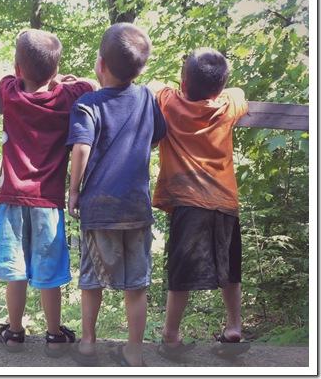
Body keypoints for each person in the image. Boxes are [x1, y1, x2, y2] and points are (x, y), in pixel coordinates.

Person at [0, 28, 98, 357]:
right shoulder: (68, 97)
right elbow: (90, 85)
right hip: (49, 202)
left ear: (19, 69)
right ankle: (53, 336)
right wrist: (62, 82)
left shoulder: (11, 91)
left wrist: (39, 77)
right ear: (55, 70)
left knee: (16, 271)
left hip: (12, 199)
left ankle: (15, 333)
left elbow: (5, 79)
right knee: (49, 272)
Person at [66, 22, 167, 367]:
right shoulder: (147, 97)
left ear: (101, 65)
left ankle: (89, 343)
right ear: (140, 68)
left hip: (99, 207)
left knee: (92, 279)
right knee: (136, 284)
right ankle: (135, 351)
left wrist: (73, 191)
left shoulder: (87, 103)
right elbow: (156, 137)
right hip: (136, 207)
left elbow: (80, 148)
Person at [148, 47, 251, 358]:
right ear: (219, 87)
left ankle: (171, 334)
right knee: (230, 268)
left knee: (180, 271)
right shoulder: (227, 105)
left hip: (187, 201)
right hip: (224, 200)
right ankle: (234, 326)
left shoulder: (169, 102)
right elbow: (238, 91)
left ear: (182, 81)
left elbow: (153, 86)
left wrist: (172, 87)